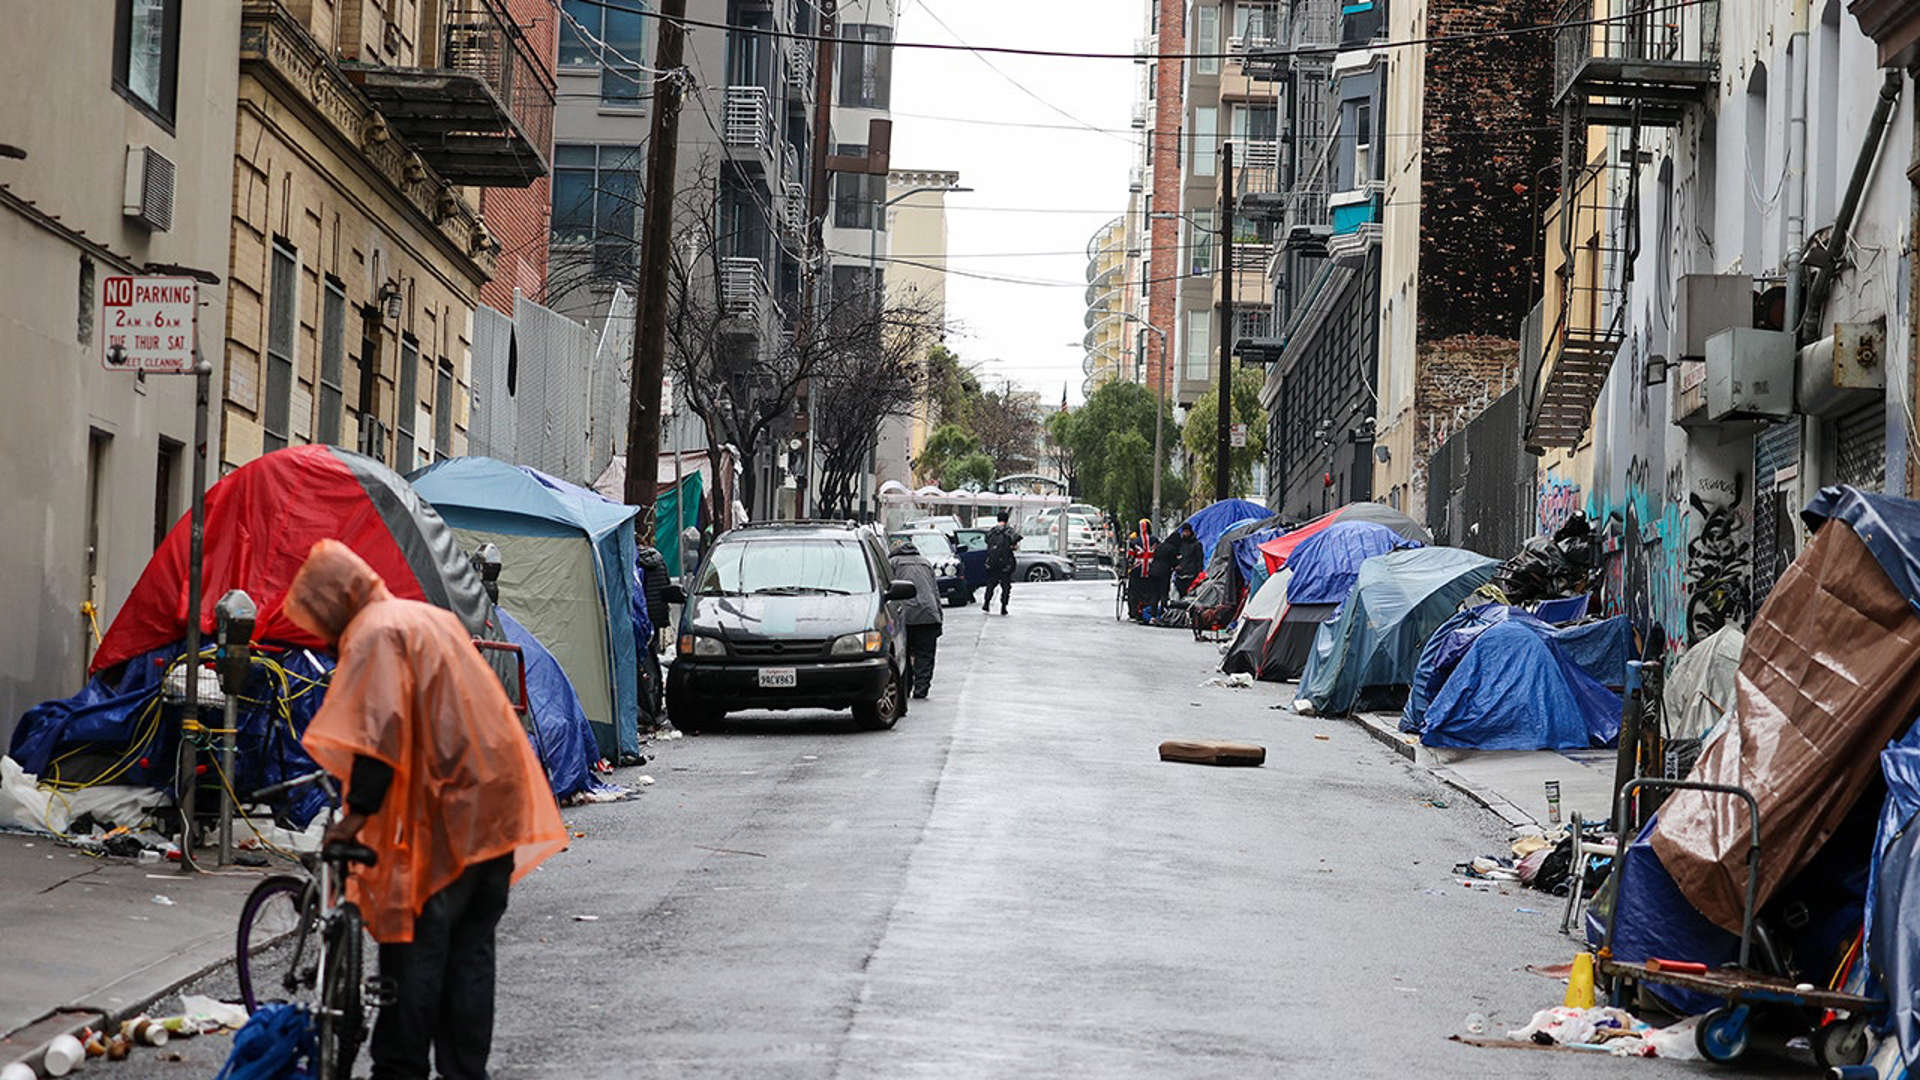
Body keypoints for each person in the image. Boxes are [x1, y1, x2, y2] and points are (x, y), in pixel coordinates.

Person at [285, 540, 567, 1080]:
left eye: (318, 619)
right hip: (498, 802)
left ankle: (400, 1069)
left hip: (448, 813)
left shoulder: (375, 634)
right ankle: (465, 1072)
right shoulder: (422, 618)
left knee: (417, 947)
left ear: (332, 604)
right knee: (471, 954)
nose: (320, 634)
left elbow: (381, 733)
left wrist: (356, 816)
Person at [888, 538, 944, 698]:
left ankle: (905, 689)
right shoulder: (925, 562)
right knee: (926, 655)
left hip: (904, 616)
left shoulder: (893, 563)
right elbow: (935, 592)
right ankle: (922, 688)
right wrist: (939, 617)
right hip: (929, 614)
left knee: (902, 653)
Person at [981, 510, 1020, 615]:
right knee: (1006, 586)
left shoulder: (991, 532)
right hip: (1005, 564)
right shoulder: (1009, 531)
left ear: (997, 519)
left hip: (992, 563)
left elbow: (987, 543)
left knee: (991, 584)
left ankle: (986, 603)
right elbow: (1015, 543)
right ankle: (1003, 607)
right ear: (1006, 520)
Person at [1174, 523, 1205, 597]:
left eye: (1187, 531)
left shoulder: (1196, 544)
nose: (1185, 533)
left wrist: (1199, 572)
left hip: (1191, 574)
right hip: (1180, 574)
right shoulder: (1179, 544)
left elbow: (1199, 559)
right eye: (1184, 531)